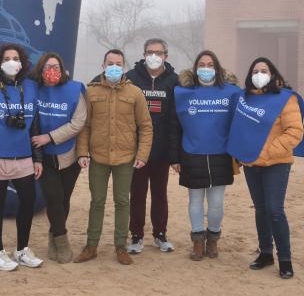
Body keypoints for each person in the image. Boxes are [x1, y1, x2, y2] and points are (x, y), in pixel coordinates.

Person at [227, 57, 304, 279]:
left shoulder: (285, 99)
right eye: (255, 70)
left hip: (276, 163)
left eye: (264, 70)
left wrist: (265, 152)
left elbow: (295, 132)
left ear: (273, 74)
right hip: (251, 164)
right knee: (260, 209)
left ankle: (285, 259)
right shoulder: (245, 99)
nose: (259, 74)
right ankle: (265, 253)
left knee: (275, 210)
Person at [73, 49, 153, 265]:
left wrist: (142, 154)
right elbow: (85, 126)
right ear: (103, 65)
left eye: (119, 63)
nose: (114, 67)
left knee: (122, 202)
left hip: (125, 157)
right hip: (98, 156)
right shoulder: (91, 92)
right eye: (110, 63)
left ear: (124, 66)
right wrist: (82, 152)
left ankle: (120, 246)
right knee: (97, 201)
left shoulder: (135, 93)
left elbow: (145, 127)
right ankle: (91, 246)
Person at [0, 43, 44, 271]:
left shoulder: (30, 87)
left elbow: (35, 126)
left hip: (23, 157)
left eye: (16, 58)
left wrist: (38, 158)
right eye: (7, 58)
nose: (12, 62)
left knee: (28, 200)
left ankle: (22, 249)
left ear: (22, 62)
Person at [169, 50, 240, 261]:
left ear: (217, 68)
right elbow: (175, 127)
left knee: (217, 203)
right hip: (192, 154)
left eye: (210, 65)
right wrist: (175, 157)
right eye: (202, 64)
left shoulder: (232, 93)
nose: (206, 69)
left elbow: (240, 124)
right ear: (195, 68)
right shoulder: (183, 93)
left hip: (221, 155)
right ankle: (198, 241)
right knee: (195, 200)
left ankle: (213, 238)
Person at [30, 52, 87, 263]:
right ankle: (62, 241)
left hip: (69, 155)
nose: (51, 71)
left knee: (63, 199)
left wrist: (50, 137)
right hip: (44, 156)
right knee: (52, 198)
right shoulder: (32, 88)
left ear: (62, 69)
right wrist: (43, 142)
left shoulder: (74, 89)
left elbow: (79, 122)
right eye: (47, 67)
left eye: (55, 66)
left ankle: (54, 235)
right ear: (40, 69)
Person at [125, 39, 178, 254]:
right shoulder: (131, 77)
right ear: (143, 53)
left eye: (158, 52)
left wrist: (174, 154)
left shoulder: (174, 81)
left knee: (160, 194)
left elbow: (176, 119)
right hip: (137, 149)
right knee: (137, 194)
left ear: (166, 55)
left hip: (162, 149)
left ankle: (160, 234)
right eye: (150, 52)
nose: (154, 56)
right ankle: (136, 236)